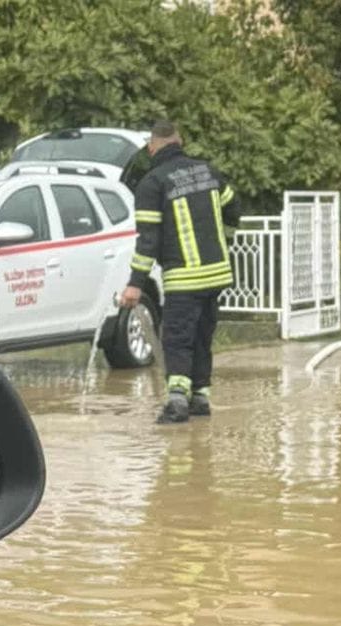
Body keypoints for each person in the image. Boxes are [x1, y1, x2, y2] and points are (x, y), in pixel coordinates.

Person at [119, 121, 241, 424]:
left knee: (176, 339)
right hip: (217, 275)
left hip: (184, 278)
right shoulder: (208, 172)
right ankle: (200, 399)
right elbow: (235, 211)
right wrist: (217, 239)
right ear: (179, 141)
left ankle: (176, 405)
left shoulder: (152, 183)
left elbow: (148, 240)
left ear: (151, 147)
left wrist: (135, 285)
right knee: (202, 338)